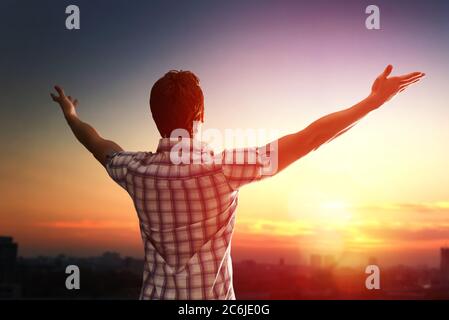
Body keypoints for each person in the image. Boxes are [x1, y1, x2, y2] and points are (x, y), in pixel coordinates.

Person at [50, 65, 424, 299]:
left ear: (155, 118)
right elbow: (310, 137)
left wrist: (70, 114)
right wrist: (372, 102)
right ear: (200, 115)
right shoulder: (224, 169)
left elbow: (96, 142)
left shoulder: (135, 171)